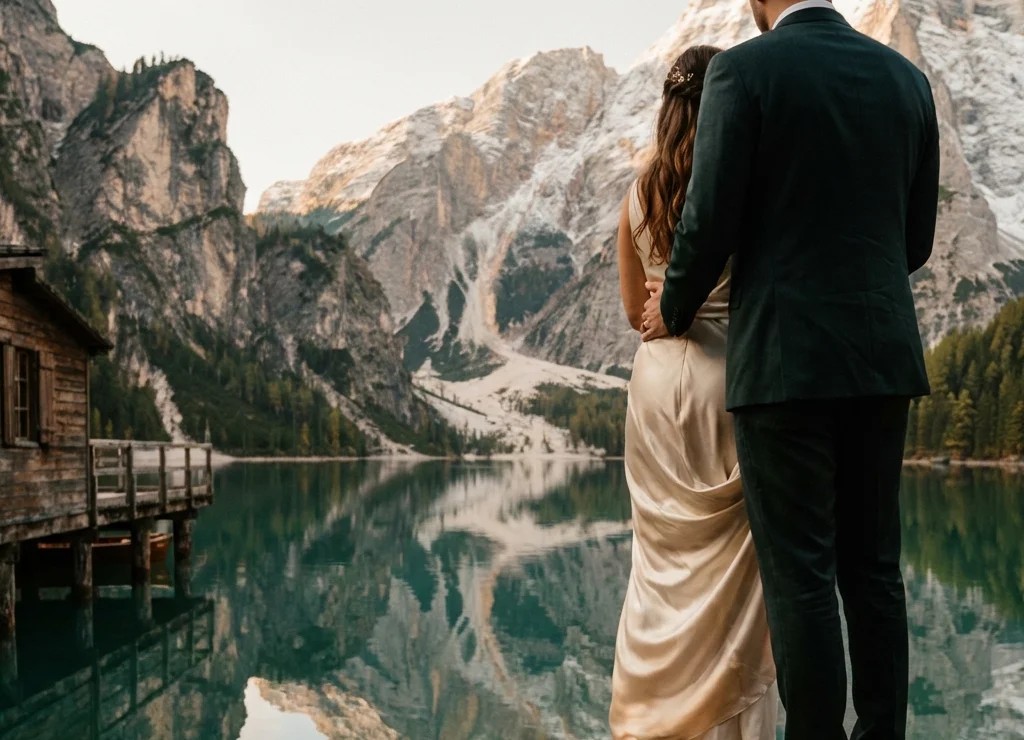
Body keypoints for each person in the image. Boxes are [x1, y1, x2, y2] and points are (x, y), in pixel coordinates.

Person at [641, 0, 940, 738]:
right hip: (879, 356)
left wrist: (672, 310)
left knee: (801, 577)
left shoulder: (742, 73)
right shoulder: (907, 80)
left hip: (782, 362)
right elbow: (918, 239)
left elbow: (708, 220)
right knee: (873, 572)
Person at [610, 46, 778, 740]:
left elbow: (633, 312)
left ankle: (657, 719)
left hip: (655, 389)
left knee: (659, 571)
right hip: (727, 378)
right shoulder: (744, 182)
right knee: (738, 578)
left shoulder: (637, 192)